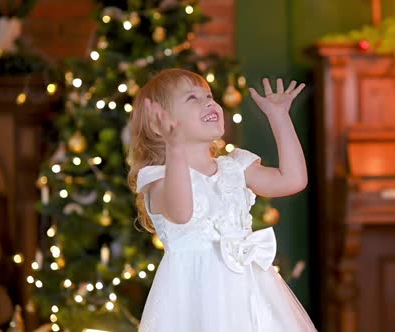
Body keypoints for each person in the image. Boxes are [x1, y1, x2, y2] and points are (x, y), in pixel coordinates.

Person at [127, 68, 316, 331]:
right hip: (195, 297)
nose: (208, 101)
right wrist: (176, 149)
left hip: (249, 292)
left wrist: (279, 117)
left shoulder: (236, 166)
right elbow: (182, 214)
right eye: (192, 98)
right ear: (160, 125)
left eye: (208, 95)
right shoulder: (158, 179)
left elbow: (293, 180)